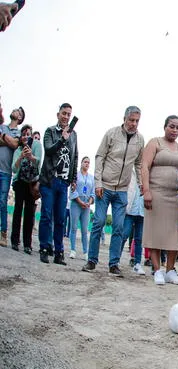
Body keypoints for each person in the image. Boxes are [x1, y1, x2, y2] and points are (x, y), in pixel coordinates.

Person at [82, 106, 144, 276]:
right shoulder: (112, 134)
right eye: (131, 120)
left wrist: (141, 183)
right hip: (105, 187)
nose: (134, 124)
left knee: (119, 228)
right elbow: (99, 157)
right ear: (124, 118)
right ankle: (92, 260)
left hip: (123, 190)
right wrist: (98, 183)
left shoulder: (140, 140)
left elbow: (138, 164)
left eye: (137, 121)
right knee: (99, 222)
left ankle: (113, 264)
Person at [141, 115, 178, 286]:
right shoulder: (155, 143)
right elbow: (144, 166)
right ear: (165, 127)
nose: (174, 130)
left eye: (177, 127)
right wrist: (146, 190)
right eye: (171, 126)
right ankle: (157, 270)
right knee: (156, 232)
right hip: (156, 193)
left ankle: (170, 270)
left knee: (174, 234)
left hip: (176, 196)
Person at [39, 103, 78, 265]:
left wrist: (73, 178)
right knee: (47, 215)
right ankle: (44, 248)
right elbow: (48, 150)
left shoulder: (74, 134)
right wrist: (62, 138)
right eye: (64, 113)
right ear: (58, 114)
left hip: (63, 182)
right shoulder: (50, 131)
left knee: (61, 218)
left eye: (69, 114)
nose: (66, 117)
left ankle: (59, 251)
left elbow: (75, 156)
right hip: (49, 179)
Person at [10, 124, 41, 254]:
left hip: (31, 183)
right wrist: (21, 156)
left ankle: (27, 244)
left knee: (29, 213)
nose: (26, 136)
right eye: (23, 134)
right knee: (17, 210)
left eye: (28, 134)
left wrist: (31, 156)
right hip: (20, 182)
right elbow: (14, 168)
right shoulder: (18, 150)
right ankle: (14, 241)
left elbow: (39, 161)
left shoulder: (36, 145)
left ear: (31, 135)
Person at [0, 106, 22, 247]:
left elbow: (15, 144)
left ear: (19, 118)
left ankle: (3, 233)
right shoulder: (2, 126)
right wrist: (8, 140)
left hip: (6, 172)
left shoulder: (19, 132)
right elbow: (10, 142)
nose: (13, 111)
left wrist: (3, 137)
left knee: (2, 201)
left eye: (17, 111)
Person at [68, 156, 94, 260]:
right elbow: (73, 190)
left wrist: (89, 202)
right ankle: (73, 250)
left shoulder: (91, 178)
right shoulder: (76, 176)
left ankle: (85, 252)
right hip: (76, 203)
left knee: (84, 229)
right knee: (73, 227)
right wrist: (79, 201)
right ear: (81, 163)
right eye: (85, 162)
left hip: (86, 205)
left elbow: (93, 192)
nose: (87, 164)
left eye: (88, 162)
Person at [120, 172, 145, 275]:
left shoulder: (147, 171)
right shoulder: (131, 169)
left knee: (139, 239)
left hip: (142, 210)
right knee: (124, 235)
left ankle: (137, 263)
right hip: (130, 209)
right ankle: (116, 260)